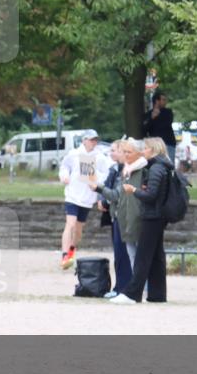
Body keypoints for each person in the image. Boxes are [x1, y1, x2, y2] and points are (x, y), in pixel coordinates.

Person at [111, 137, 172, 304]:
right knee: (157, 257)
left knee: (142, 257)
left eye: (145, 148)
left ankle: (132, 294)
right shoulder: (163, 166)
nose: (143, 151)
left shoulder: (156, 168)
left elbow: (151, 195)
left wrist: (135, 190)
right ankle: (157, 294)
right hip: (159, 216)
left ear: (153, 150)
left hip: (152, 216)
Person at [91, 139, 148, 298]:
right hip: (119, 214)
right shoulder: (120, 169)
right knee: (125, 254)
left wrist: (98, 188)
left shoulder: (134, 170)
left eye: (124, 151)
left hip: (128, 216)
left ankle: (129, 288)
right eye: (123, 151)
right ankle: (123, 287)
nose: (122, 154)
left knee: (131, 254)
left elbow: (117, 194)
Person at [56, 130, 111, 269]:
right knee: (71, 224)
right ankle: (64, 255)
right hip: (72, 195)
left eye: (96, 140)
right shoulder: (74, 154)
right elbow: (64, 167)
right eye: (91, 140)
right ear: (84, 140)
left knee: (79, 230)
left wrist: (97, 183)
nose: (94, 142)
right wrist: (64, 176)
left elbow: (107, 173)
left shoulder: (100, 157)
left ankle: (72, 250)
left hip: (87, 198)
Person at [143, 91, 177, 163]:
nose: (165, 102)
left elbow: (167, 124)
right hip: (155, 145)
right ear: (157, 101)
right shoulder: (148, 115)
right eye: (163, 100)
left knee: (169, 164)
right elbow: (145, 130)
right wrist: (152, 118)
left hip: (168, 142)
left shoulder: (168, 112)